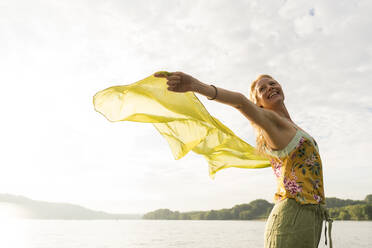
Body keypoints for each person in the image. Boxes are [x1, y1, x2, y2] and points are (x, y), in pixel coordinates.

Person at [154, 71, 333, 248]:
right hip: (292, 216)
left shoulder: (293, 126)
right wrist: (196, 86)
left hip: (311, 216)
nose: (270, 87)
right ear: (258, 105)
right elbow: (240, 102)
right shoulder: (271, 122)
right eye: (262, 89)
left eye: (272, 83)